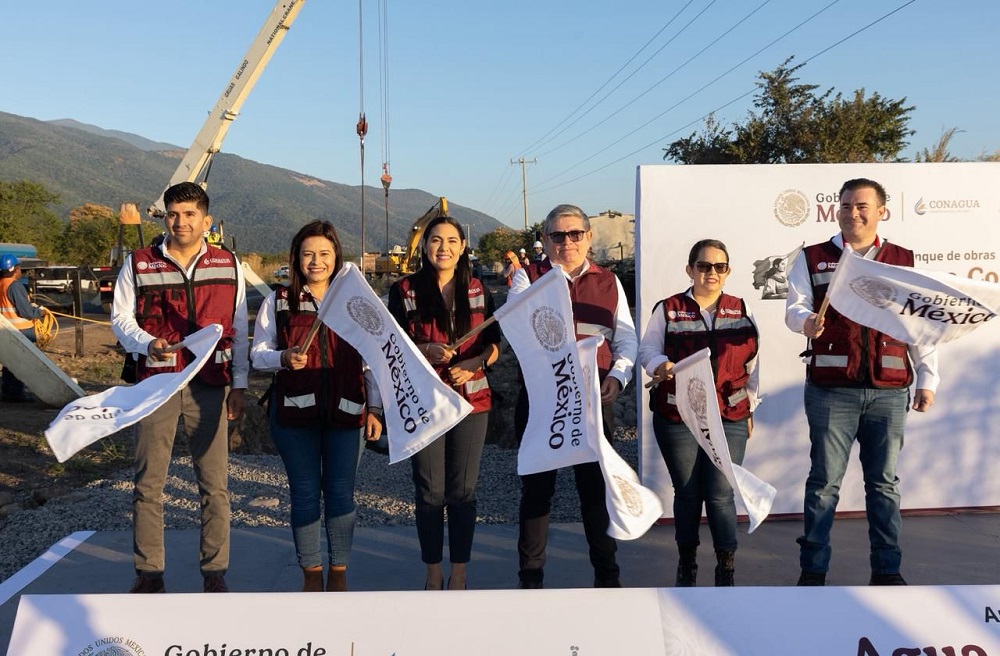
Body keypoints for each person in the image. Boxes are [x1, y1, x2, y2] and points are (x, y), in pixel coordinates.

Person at [785, 178, 938, 587]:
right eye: (846, 204)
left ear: (882, 211)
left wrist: (928, 377)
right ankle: (813, 571)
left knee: (884, 486)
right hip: (830, 390)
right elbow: (794, 308)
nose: (853, 212)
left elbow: (918, 323)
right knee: (823, 486)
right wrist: (805, 323)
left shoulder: (902, 260)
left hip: (890, 391)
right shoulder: (813, 257)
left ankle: (887, 571)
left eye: (862, 206)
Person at [112, 181, 248, 594]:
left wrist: (239, 385)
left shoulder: (229, 263)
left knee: (215, 485)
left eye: (190, 214)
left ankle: (215, 573)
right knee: (149, 484)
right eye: (173, 213)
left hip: (210, 385)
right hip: (157, 384)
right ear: (165, 216)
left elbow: (238, 329)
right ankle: (149, 573)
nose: (181, 221)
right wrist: (144, 343)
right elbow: (121, 319)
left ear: (206, 221)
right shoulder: (139, 263)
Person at [251, 221, 383, 592]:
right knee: (305, 492)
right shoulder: (278, 301)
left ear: (336, 258)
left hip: (348, 412)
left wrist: (375, 409)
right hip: (294, 415)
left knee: (341, 493)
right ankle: (311, 575)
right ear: (296, 258)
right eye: (308, 253)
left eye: (324, 254)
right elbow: (258, 354)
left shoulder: (355, 303)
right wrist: (282, 357)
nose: (316, 261)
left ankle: (338, 574)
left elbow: (371, 360)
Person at [510, 203, 638, 589]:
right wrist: (551, 279)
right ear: (545, 240)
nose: (567, 242)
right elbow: (518, 324)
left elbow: (626, 337)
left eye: (575, 234)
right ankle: (530, 579)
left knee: (595, 494)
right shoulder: (526, 277)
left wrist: (618, 375)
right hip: (541, 401)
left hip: (594, 402)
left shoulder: (609, 282)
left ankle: (607, 576)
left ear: (589, 237)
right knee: (537, 493)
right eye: (557, 235)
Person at [388, 216, 501, 590]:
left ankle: (460, 573)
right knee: (430, 490)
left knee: (462, 492)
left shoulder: (479, 289)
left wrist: (474, 363)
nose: (444, 247)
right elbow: (394, 345)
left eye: (452, 240)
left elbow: (495, 345)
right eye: (436, 240)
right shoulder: (404, 290)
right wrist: (424, 349)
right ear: (424, 246)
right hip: (425, 403)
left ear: (463, 246)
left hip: (472, 402)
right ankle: (433, 572)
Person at [638, 239, 760, 587]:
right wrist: (659, 364)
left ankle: (726, 568)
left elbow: (753, 361)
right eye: (704, 266)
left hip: (728, 417)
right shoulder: (669, 309)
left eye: (719, 267)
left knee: (721, 493)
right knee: (688, 492)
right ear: (690, 269)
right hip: (678, 418)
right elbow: (648, 348)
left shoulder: (742, 308)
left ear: (728, 271)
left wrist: (749, 404)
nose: (711, 273)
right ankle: (687, 564)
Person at [0, 254, 43, 403]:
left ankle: (9, 392)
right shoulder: (14, 286)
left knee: (10, 363)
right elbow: (26, 312)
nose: (20, 271)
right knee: (22, 364)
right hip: (21, 331)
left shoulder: (1, 284)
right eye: (19, 268)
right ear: (14, 270)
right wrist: (40, 312)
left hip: (6, 331)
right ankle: (16, 394)